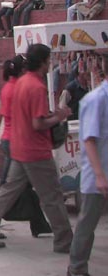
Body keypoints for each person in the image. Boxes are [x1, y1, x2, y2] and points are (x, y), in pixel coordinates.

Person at [0, 44, 73, 252]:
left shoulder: (20, 83)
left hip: (19, 146)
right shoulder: (36, 87)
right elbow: (38, 124)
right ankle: (64, 240)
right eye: (48, 61)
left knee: (8, 190)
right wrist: (59, 116)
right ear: (43, 62)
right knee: (52, 196)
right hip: (35, 150)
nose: (49, 65)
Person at [0, 56, 51, 238]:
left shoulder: (8, 88)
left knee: (24, 185)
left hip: (11, 139)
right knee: (9, 187)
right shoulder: (21, 89)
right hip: (18, 141)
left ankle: (39, 224)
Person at [67, 56, 108, 276]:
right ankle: (76, 268)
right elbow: (89, 139)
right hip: (98, 173)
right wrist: (100, 175)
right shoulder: (96, 99)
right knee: (87, 223)